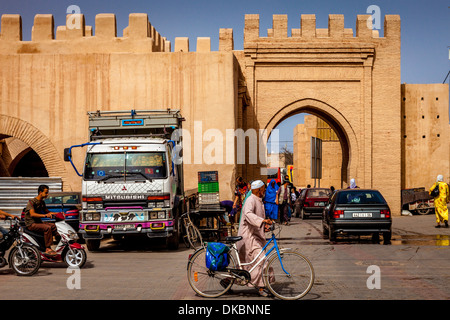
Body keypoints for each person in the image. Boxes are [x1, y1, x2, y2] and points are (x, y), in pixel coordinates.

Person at [237, 180, 273, 297]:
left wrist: (264, 226)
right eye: (263, 189)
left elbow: (256, 218)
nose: (264, 192)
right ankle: (261, 287)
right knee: (262, 260)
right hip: (249, 236)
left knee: (248, 263)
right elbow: (248, 214)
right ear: (258, 190)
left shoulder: (258, 200)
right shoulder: (251, 200)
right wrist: (261, 221)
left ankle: (229, 280)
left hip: (254, 235)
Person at [23, 185, 59, 255]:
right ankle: (48, 248)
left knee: (53, 226)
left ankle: (60, 243)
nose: (47, 194)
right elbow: (32, 214)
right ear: (40, 192)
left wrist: (58, 213)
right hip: (31, 224)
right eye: (46, 192)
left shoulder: (42, 202)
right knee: (47, 228)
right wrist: (45, 215)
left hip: (38, 223)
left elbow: (47, 212)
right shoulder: (32, 202)